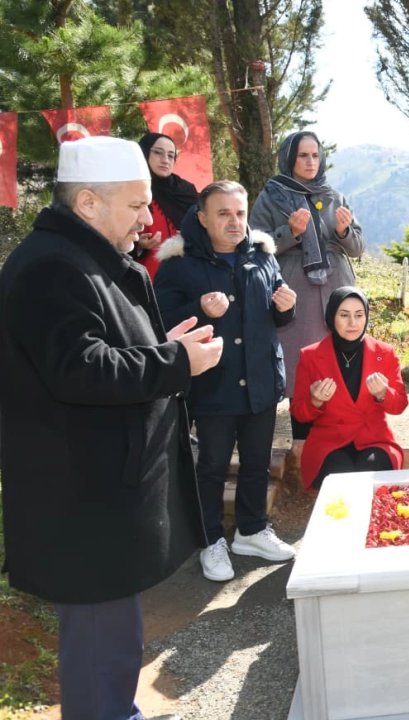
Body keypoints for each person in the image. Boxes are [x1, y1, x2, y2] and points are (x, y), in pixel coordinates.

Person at [0, 136, 224, 719]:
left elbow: (106, 348)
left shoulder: (85, 260)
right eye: (134, 205)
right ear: (88, 205)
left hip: (102, 490)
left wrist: (162, 346)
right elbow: (80, 370)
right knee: (99, 643)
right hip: (81, 497)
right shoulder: (51, 268)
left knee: (115, 636)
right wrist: (176, 363)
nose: (147, 219)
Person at [155, 180, 298, 582]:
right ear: (202, 218)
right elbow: (162, 323)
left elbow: (271, 316)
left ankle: (251, 531)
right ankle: (211, 539)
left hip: (260, 382)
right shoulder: (179, 264)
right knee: (213, 466)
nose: (234, 222)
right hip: (213, 384)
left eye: (239, 213)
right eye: (223, 214)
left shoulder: (261, 256)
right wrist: (199, 308)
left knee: (256, 463)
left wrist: (285, 309)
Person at [250, 130, 364, 406]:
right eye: (303, 155)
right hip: (296, 292)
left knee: (339, 361)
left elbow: (357, 248)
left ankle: (339, 433)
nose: (310, 162)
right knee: (299, 363)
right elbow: (254, 244)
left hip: (337, 290)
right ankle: (301, 439)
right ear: (289, 158)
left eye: (315, 155)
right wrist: (290, 232)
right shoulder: (271, 196)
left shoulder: (334, 196)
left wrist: (343, 230)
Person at [292, 287, 408, 489]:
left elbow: (399, 406)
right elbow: (299, 414)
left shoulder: (385, 353)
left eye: (359, 315)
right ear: (331, 317)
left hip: (375, 440)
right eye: (344, 315)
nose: (353, 323)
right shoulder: (310, 356)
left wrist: (383, 393)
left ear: (366, 317)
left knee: (370, 472)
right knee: (340, 477)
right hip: (328, 443)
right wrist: (315, 401)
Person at [134, 132, 198, 279]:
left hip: (187, 276)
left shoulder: (187, 191)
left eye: (170, 155)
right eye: (158, 153)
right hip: (147, 278)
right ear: (144, 152)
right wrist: (139, 246)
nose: (165, 160)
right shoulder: (132, 190)